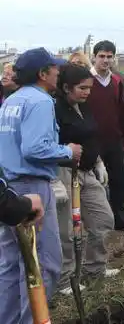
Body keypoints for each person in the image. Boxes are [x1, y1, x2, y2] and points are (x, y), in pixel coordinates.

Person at [0, 49, 82, 322]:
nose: (59, 73)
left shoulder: (11, 101)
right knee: (43, 264)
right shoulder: (40, 101)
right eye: (54, 69)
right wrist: (68, 151)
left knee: (11, 265)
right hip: (32, 188)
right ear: (42, 73)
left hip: (9, 187)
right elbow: (35, 148)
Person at [53, 64, 117, 294]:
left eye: (89, 88)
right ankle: (64, 280)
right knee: (67, 230)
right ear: (66, 87)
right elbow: (47, 144)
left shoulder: (84, 107)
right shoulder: (54, 109)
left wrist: (98, 162)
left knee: (102, 219)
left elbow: (91, 136)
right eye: (81, 88)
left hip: (87, 172)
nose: (86, 92)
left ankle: (95, 268)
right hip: (64, 173)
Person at [86, 40, 124, 230]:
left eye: (109, 56)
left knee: (118, 179)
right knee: (95, 181)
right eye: (101, 56)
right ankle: (96, 219)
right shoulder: (86, 81)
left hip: (114, 139)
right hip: (92, 140)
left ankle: (119, 217)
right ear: (94, 57)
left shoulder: (117, 81)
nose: (106, 60)